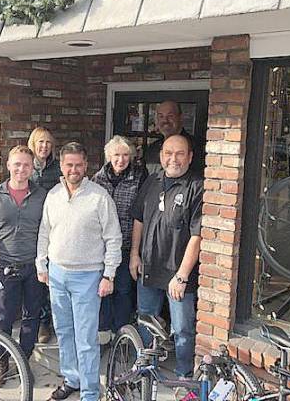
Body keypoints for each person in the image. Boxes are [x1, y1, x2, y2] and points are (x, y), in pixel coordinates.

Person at [36, 142, 122, 401]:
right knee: (64, 332)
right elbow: (44, 232)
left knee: (86, 339)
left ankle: (90, 392)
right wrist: (42, 264)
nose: (73, 169)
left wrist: (109, 274)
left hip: (88, 276)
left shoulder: (99, 197)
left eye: (78, 165)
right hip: (57, 274)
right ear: (62, 166)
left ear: (86, 166)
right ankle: (71, 379)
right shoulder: (52, 195)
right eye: (68, 164)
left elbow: (113, 238)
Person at [130, 134, 203, 378]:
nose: (174, 159)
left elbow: (197, 235)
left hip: (178, 273)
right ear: (161, 156)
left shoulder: (196, 186)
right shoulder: (152, 181)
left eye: (180, 153)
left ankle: (184, 375)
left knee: (182, 328)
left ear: (190, 157)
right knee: (146, 321)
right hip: (149, 266)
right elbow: (138, 219)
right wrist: (134, 255)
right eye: (168, 153)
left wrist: (182, 276)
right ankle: (146, 370)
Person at [0, 145, 47, 386]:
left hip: (35, 267)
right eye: (17, 164)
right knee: (3, 318)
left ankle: (23, 360)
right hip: (5, 268)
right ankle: (2, 361)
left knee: (32, 316)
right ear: (8, 165)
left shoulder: (42, 195)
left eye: (26, 164)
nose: (21, 169)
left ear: (32, 167)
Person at [92, 135, 148, 343]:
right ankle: (103, 331)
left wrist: (135, 250)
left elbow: (140, 214)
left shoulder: (139, 178)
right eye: (116, 155)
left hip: (126, 243)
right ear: (109, 156)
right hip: (102, 246)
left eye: (125, 155)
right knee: (103, 288)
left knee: (123, 289)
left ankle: (121, 332)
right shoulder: (97, 179)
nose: (121, 160)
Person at [28, 126, 62, 343]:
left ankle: (46, 323)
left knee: (47, 279)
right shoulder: (26, 166)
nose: (44, 146)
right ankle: (35, 320)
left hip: (51, 229)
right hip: (30, 228)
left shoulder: (57, 168)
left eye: (48, 143)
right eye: (41, 142)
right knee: (33, 279)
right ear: (33, 143)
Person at [144, 100, 199, 173]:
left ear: (180, 117)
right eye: (161, 116)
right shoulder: (152, 148)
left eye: (170, 116)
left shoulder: (196, 146)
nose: (165, 120)